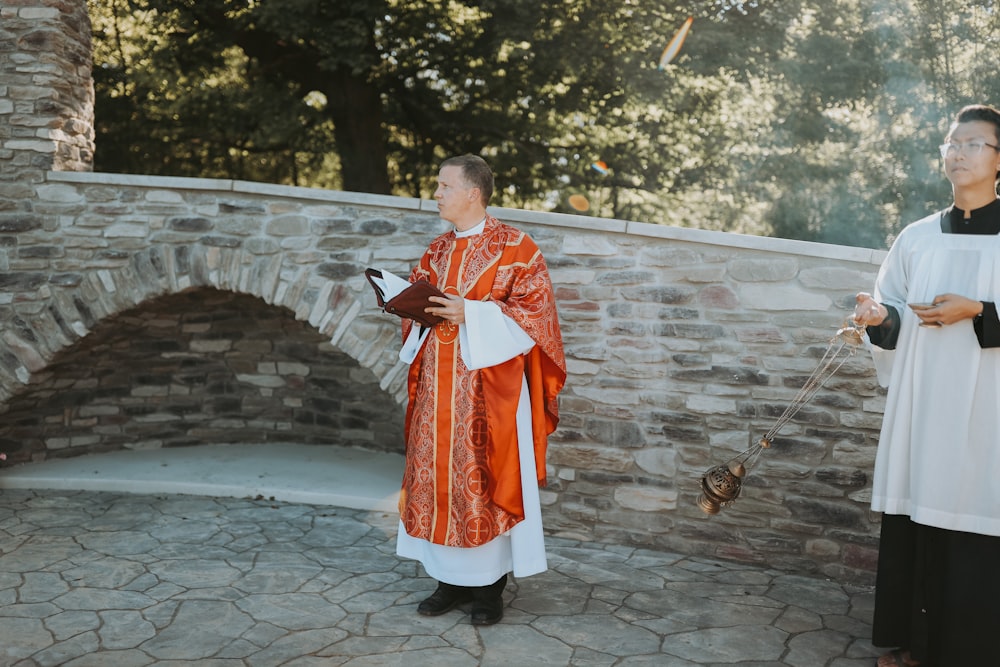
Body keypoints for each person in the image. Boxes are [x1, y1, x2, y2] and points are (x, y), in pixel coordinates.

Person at [853, 104, 1000, 666]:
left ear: (997, 159)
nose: (958, 153)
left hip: (988, 406)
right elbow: (891, 309)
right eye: (951, 143)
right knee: (921, 512)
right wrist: (876, 317)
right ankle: (915, 646)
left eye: (973, 143)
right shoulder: (916, 237)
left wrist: (980, 310)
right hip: (925, 402)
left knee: (978, 512)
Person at [393, 154, 566, 626]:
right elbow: (420, 303)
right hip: (437, 391)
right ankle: (448, 580)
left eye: (444, 186)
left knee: (484, 481)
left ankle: (490, 589)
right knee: (439, 479)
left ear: (473, 192)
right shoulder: (436, 250)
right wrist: (405, 305)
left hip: (488, 395)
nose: (437, 193)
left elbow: (538, 318)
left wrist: (471, 313)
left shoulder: (517, 248)